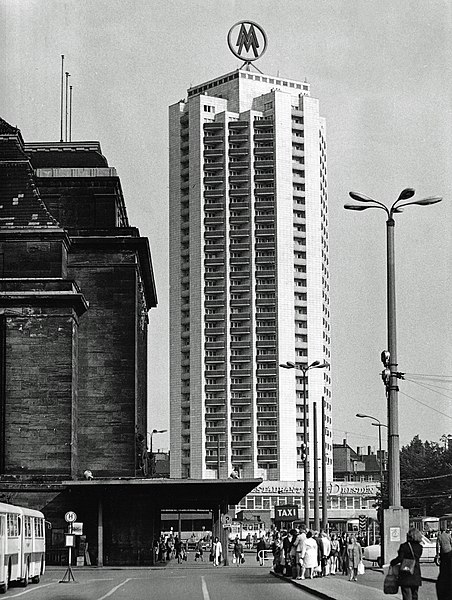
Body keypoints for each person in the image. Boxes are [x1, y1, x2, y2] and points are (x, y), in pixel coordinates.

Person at [390, 527, 423, 600]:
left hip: (405, 574)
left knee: (406, 595)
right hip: (415, 573)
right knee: (415, 595)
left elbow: (400, 558)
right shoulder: (420, 547)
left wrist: (392, 562)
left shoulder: (404, 546)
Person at [436, 527, 452, 600]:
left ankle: (444, 573)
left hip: (443, 553)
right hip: (449, 552)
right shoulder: (448, 535)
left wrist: (437, 554)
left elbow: (438, 546)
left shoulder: (439, 537)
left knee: (443, 566)